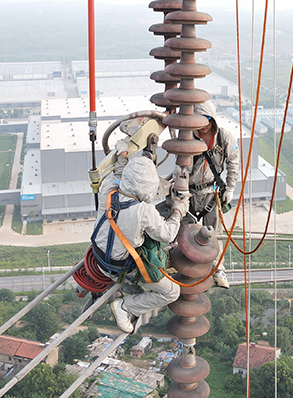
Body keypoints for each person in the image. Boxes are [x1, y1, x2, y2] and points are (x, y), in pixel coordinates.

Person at [91, 152, 188, 333]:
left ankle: (120, 292)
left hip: (99, 260)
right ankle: (125, 307)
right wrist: (178, 211)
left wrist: (122, 161)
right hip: (121, 269)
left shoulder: (108, 190)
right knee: (171, 292)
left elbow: (118, 176)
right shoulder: (143, 211)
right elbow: (168, 234)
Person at [188, 100, 239, 288]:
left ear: (212, 119)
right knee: (185, 231)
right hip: (190, 193)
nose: (203, 125)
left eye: (207, 120)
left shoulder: (224, 137)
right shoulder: (188, 136)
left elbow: (234, 163)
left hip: (211, 192)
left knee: (213, 234)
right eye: (199, 121)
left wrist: (231, 188)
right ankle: (188, 266)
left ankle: (218, 271)